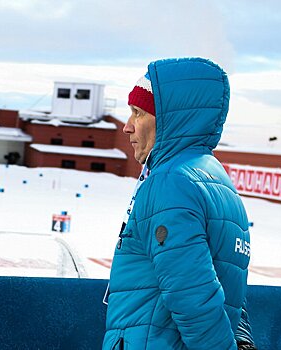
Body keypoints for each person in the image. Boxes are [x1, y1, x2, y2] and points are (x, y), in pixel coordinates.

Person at [103, 58, 256, 349]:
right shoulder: (216, 180)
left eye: (138, 113)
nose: (127, 127)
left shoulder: (170, 183)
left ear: (170, 119)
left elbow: (193, 296)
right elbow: (226, 285)